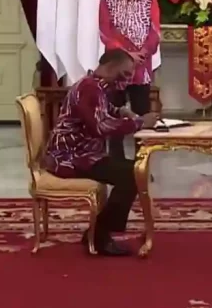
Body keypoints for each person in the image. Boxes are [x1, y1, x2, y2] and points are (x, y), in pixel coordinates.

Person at [40, 49, 160, 257]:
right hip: (71, 157)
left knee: (135, 170)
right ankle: (98, 235)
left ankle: (99, 232)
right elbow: (101, 126)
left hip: (83, 153)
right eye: (125, 73)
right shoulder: (89, 88)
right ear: (111, 67)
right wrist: (140, 122)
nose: (127, 80)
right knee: (133, 174)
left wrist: (122, 112)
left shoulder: (94, 85)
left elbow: (103, 110)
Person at [99, 0, 161, 161]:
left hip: (141, 71)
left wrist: (142, 52)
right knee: (115, 115)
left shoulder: (149, 1)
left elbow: (154, 32)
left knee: (142, 118)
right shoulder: (107, 1)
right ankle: (116, 162)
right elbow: (106, 33)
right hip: (116, 69)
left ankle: (141, 163)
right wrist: (126, 55)